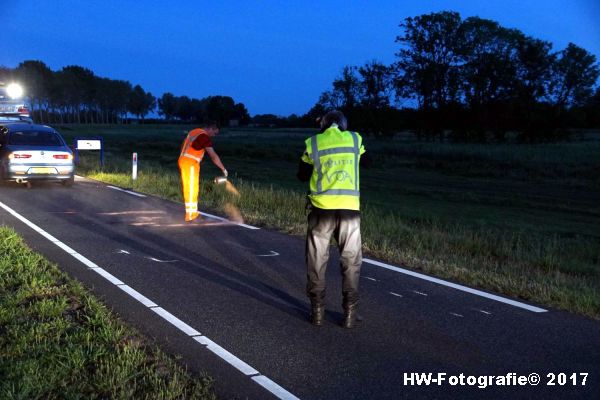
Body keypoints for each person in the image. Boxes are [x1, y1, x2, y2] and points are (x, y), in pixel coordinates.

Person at [297, 110, 367, 329]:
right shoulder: (355, 139)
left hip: (321, 210)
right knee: (351, 261)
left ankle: (317, 311)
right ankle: (350, 314)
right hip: (349, 211)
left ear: (323, 125)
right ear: (343, 124)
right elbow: (368, 162)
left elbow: (301, 175)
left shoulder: (313, 143)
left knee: (316, 260)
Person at [178, 121, 228, 222]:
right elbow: (213, 156)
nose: (213, 136)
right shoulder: (204, 136)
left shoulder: (194, 132)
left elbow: (184, 145)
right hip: (191, 162)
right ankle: (192, 216)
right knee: (192, 189)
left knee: (189, 187)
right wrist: (223, 169)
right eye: (214, 133)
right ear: (211, 128)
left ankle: (191, 213)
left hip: (184, 160)